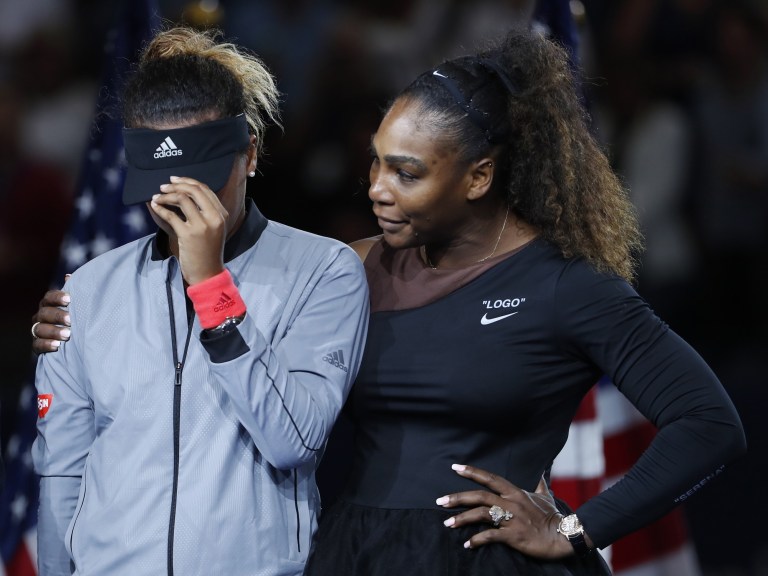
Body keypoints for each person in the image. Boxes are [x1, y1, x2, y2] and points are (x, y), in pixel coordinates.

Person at [33, 28, 745, 576]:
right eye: (375, 161)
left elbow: (709, 423)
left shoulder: (567, 286)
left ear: (479, 177)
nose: (376, 188)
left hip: (489, 563)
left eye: (406, 172)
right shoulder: (350, 269)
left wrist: (575, 529)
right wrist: (78, 323)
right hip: (356, 553)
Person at [30, 26, 369, 576]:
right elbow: (62, 467)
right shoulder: (88, 288)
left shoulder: (324, 270)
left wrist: (211, 285)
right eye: (162, 183)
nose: (182, 200)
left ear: (249, 154)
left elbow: (294, 441)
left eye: (204, 180)